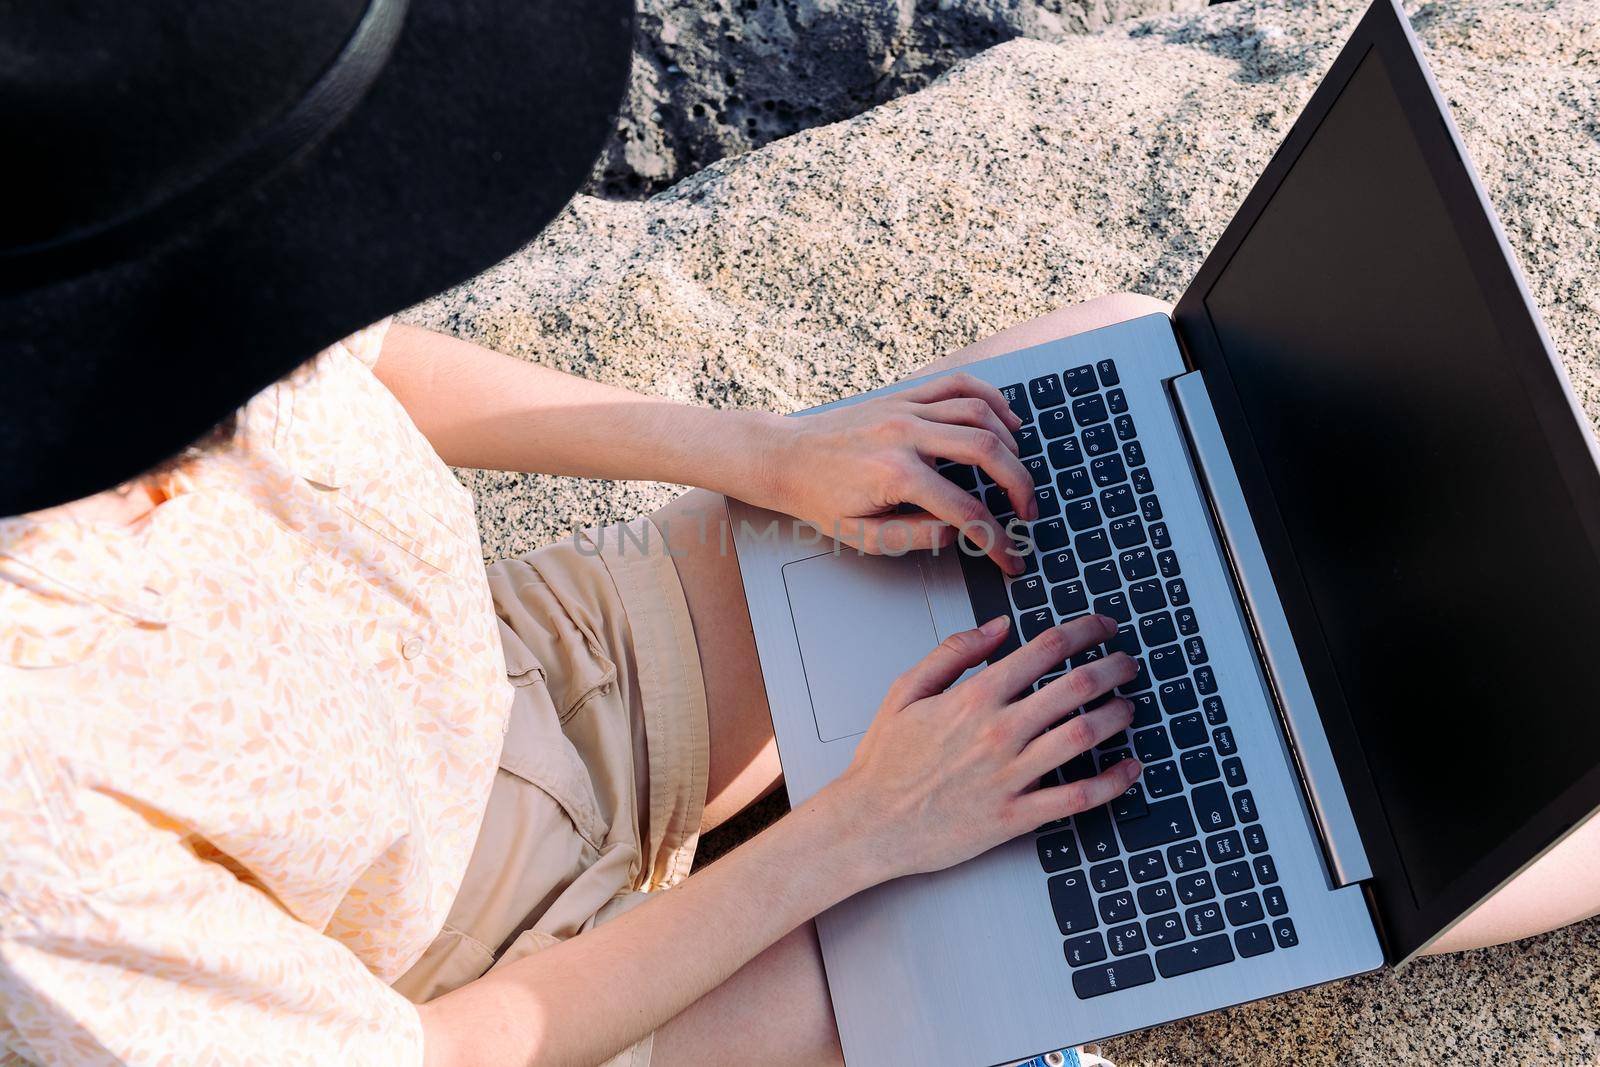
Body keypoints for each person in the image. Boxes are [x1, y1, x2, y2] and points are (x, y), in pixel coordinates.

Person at [2, 3, 1596, 1066]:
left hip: (543, 675)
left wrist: (761, 451)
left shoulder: (87, 286)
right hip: (518, 992)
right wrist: (864, 834)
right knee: (1125, 870)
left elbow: (348, 351)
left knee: (1088, 385)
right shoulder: (31, 839)